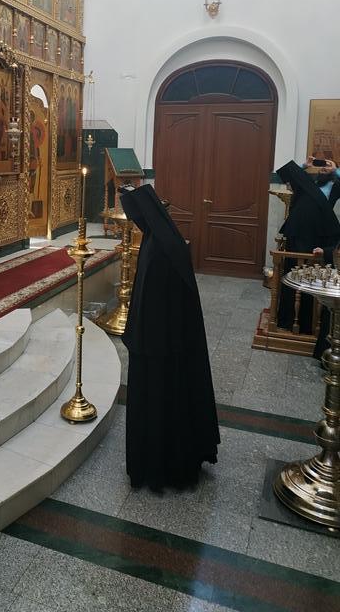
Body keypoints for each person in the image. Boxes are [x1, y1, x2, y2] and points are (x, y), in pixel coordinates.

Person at [119, 184, 220, 491]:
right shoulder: (162, 238)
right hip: (169, 339)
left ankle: (161, 466)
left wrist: (137, 337)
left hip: (159, 345)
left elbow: (152, 302)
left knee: (160, 401)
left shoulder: (158, 248)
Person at [276, 160, 340, 334]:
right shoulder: (309, 184)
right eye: (322, 166)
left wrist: (336, 170)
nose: (323, 168)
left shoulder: (335, 185)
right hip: (300, 233)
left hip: (319, 234)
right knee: (294, 273)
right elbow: (288, 174)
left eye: (327, 166)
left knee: (311, 277)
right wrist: (305, 165)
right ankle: (288, 320)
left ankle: (307, 323)